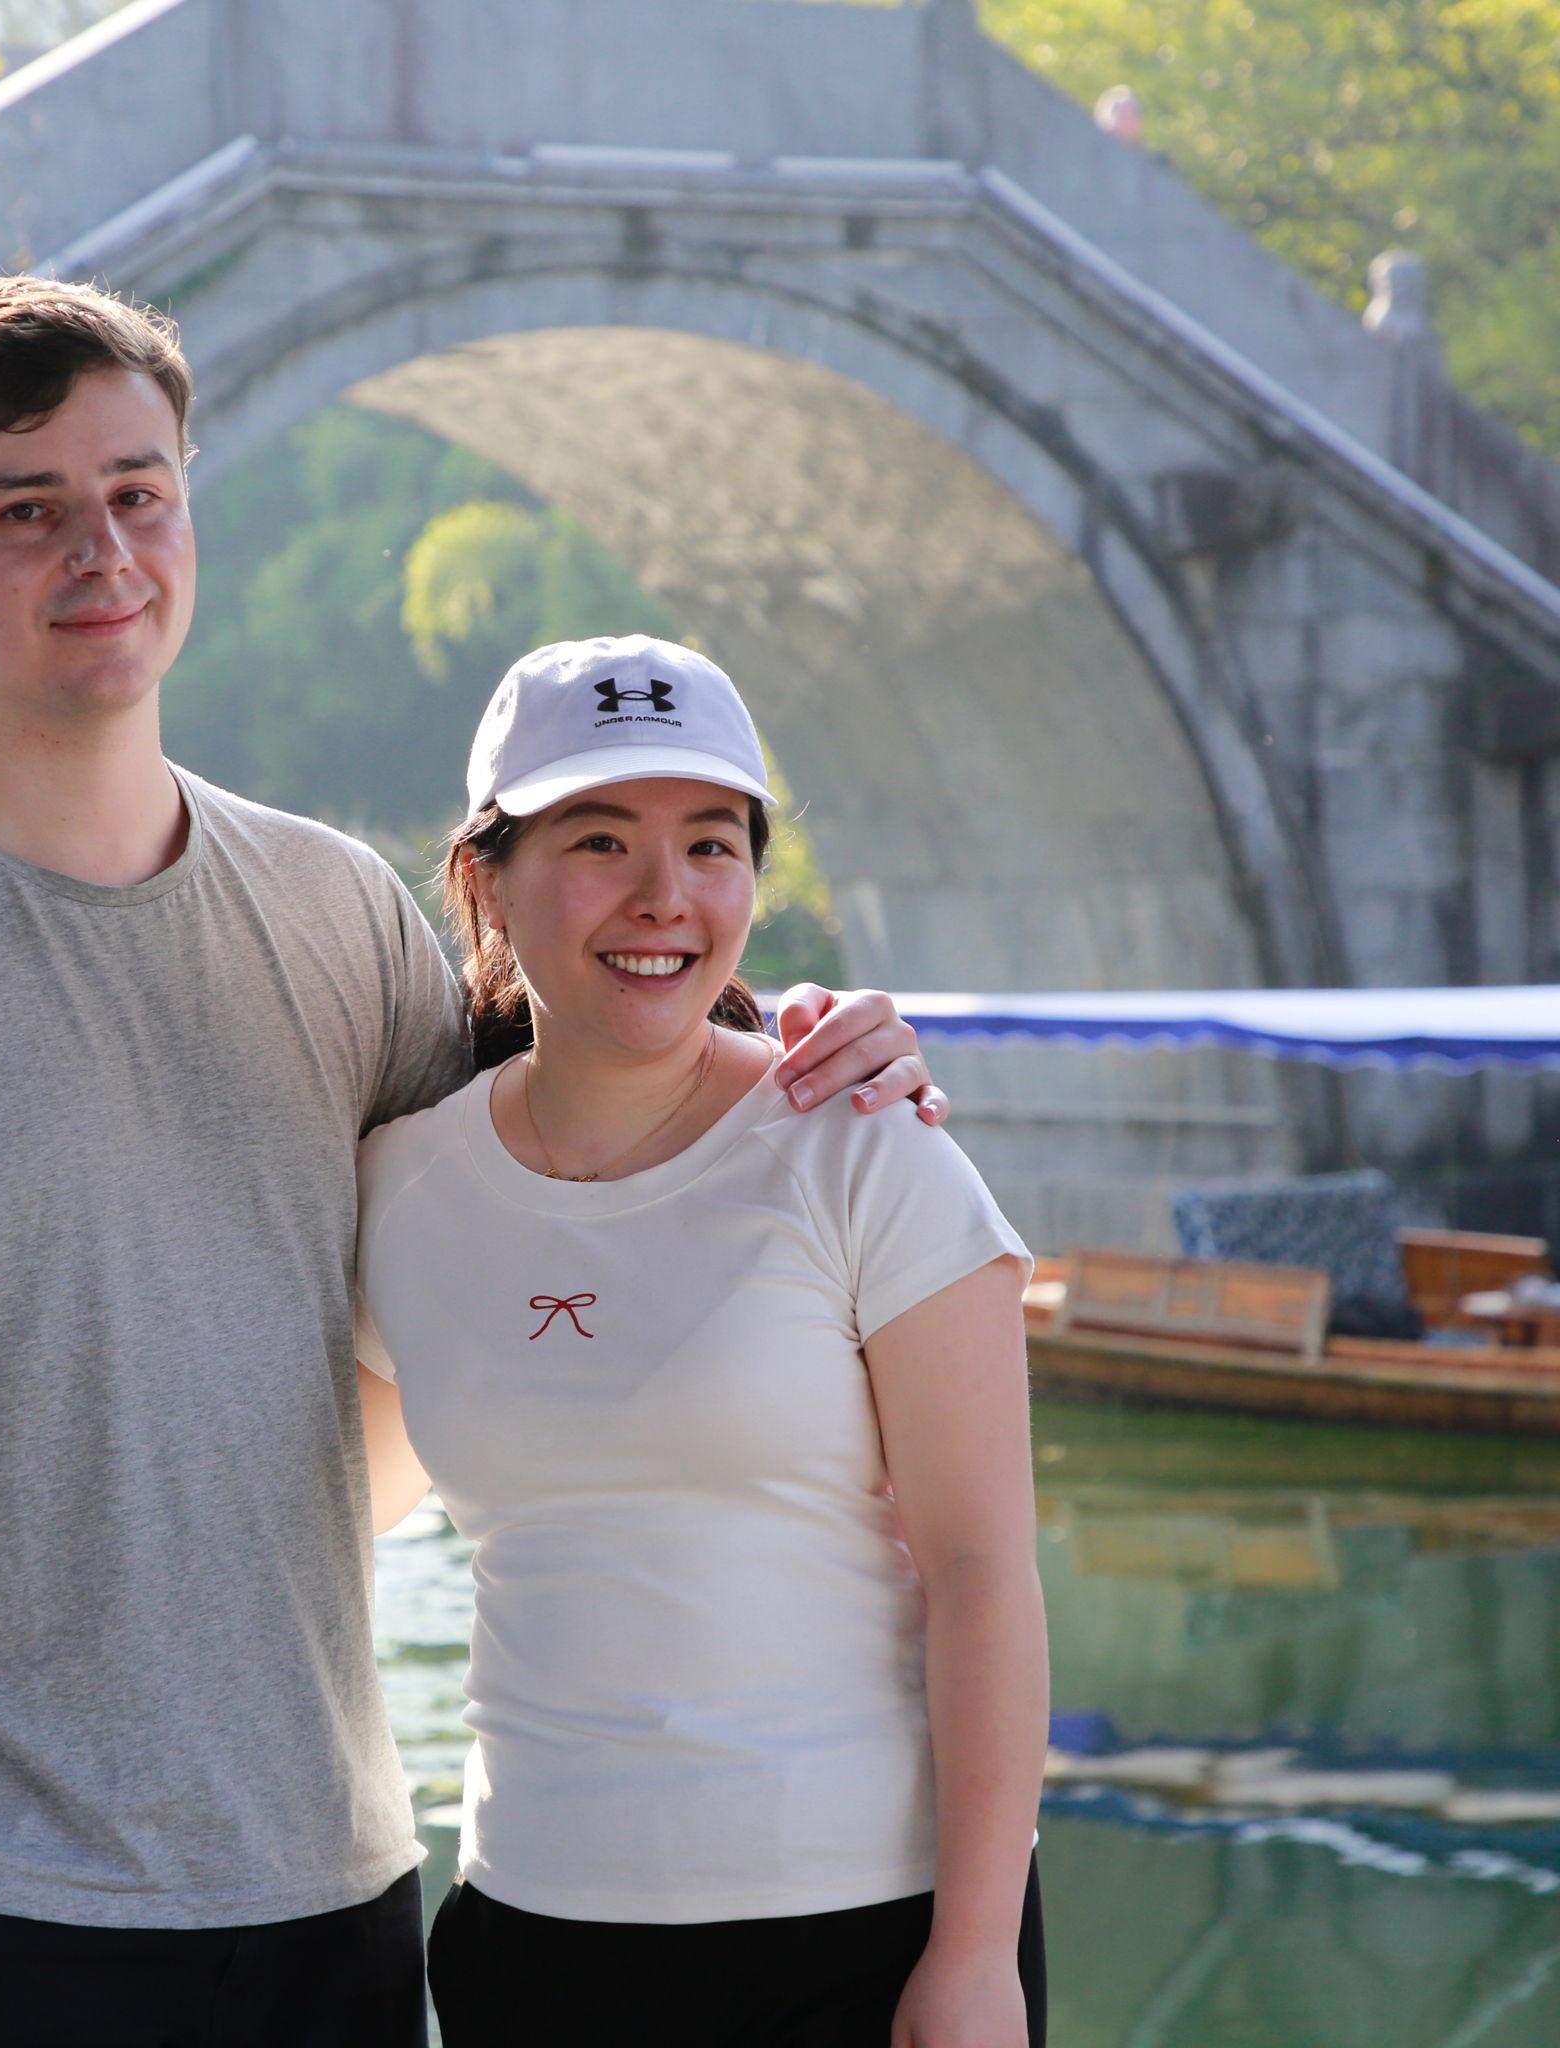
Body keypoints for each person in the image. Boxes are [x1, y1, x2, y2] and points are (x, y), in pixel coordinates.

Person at [0, 278, 948, 2048]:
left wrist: (817, 1051)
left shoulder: (338, 912)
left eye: (139, 492)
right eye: (27, 510)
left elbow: (597, 1156)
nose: (103, 550)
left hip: (343, 1904)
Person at [353, 635, 1049, 2047]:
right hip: (537, 1934)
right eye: (601, 840)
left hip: (867, 1930)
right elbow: (334, 1510)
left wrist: (972, 1959)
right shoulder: (402, 1188)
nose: (665, 898)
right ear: (486, 878)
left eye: (712, 845)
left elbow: (984, 1572)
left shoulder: (868, 1152)